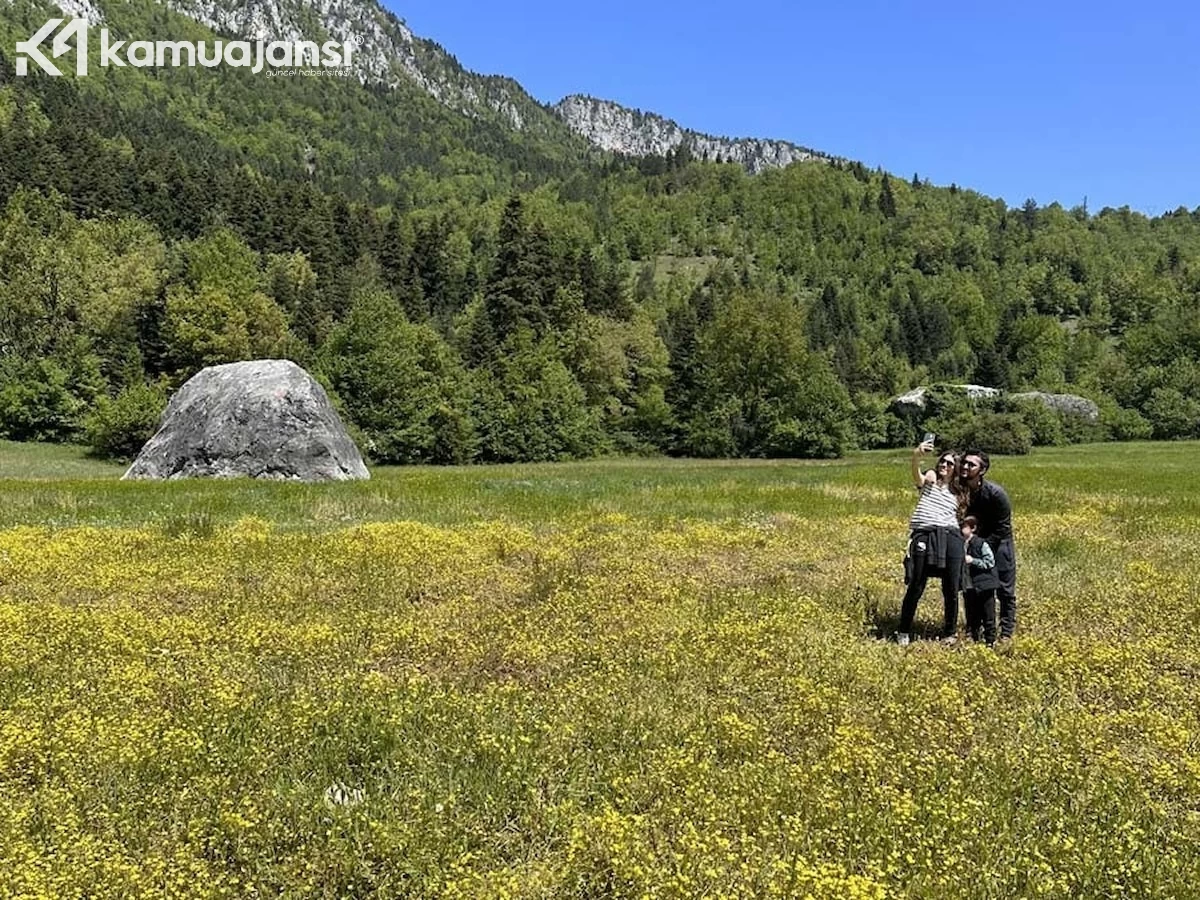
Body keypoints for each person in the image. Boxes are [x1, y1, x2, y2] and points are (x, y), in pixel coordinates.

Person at [895, 441, 967, 646]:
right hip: (925, 534)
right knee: (917, 584)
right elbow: (916, 475)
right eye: (942, 461)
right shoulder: (930, 478)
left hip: (951, 535)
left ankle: (950, 632)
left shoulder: (959, 491)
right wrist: (916, 455)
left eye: (950, 463)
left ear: (956, 468)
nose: (944, 465)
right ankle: (903, 630)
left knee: (951, 588)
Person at [960, 449, 1017, 640]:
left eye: (971, 464)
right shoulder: (961, 490)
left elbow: (1003, 526)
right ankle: (973, 628)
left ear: (982, 470)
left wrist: (985, 547)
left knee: (1004, 588)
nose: (965, 467)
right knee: (973, 587)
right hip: (974, 541)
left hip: (1000, 543)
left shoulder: (996, 493)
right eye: (964, 463)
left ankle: (1006, 632)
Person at [961, 515, 999, 646]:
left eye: (965, 526)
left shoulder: (981, 543)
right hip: (969, 585)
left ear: (973, 528)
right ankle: (974, 638)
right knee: (972, 615)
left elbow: (990, 562)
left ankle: (990, 641)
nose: (962, 529)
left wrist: (973, 561)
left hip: (984, 585)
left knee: (988, 614)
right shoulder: (960, 544)